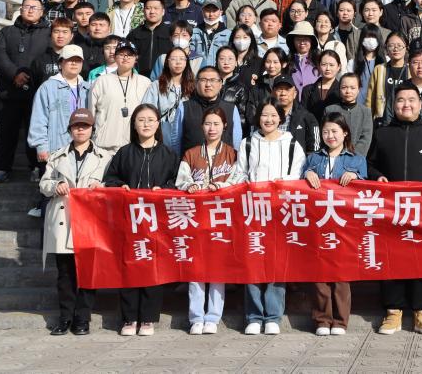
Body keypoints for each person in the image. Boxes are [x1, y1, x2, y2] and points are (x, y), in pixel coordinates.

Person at [368, 84, 422, 335]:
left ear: (420, 104)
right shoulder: (382, 134)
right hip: (390, 210)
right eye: (401, 100)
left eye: (411, 100)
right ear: (394, 105)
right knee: (391, 258)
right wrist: (377, 176)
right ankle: (393, 311)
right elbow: (369, 165)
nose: (406, 105)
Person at [103, 105, 180, 337]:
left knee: (153, 268)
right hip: (130, 221)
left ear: (158, 124)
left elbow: (177, 182)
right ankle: (129, 318)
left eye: (150, 120)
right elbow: (110, 179)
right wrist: (121, 186)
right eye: (141, 120)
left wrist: (163, 189)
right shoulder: (124, 153)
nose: (146, 124)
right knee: (129, 266)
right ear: (134, 125)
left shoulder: (169, 154)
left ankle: (147, 318)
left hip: (157, 222)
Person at [236, 99, 306, 335]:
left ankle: (273, 315)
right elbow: (240, 174)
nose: (268, 119)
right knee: (253, 261)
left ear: (281, 118)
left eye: (273, 115)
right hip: (253, 211)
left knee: (276, 262)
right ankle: (254, 315)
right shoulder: (248, 143)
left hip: (280, 212)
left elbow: (297, 174)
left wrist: (281, 186)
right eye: (264, 115)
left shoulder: (292, 143)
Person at [39, 108, 111, 337]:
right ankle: (65, 317)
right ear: (70, 129)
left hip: (90, 220)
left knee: (88, 271)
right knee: (65, 272)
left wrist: (101, 187)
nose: (81, 130)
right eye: (77, 126)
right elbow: (43, 184)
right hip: (63, 218)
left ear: (92, 129)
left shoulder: (105, 157)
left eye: (85, 126)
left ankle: (82, 318)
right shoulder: (57, 156)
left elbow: (112, 183)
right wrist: (55, 186)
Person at [175, 107, 243, 335]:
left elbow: (239, 179)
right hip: (195, 218)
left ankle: (213, 316)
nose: (212, 128)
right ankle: (196, 317)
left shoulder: (232, 153)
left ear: (225, 126)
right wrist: (190, 185)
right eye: (207, 124)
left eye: (216, 124)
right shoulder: (191, 153)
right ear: (201, 126)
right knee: (196, 268)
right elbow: (181, 179)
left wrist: (220, 186)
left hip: (222, 218)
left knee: (217, 268)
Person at [302, 113, 367, 336]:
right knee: (319, 271)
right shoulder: (313, 158)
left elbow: (366, 189)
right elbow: (300, 184)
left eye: (335, 131)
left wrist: (356, 177)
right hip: (318, 220)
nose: (330, 136)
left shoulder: (356, 159)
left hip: (343, 223)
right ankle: (322, 319)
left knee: (341, 272)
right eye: (326, 132)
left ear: (345, 133)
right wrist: (307, 174)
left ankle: (340, 321)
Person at [0, 0, 50, 184]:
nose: (30, 10)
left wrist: (31, 75)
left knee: (35, 131)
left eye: (35, 7)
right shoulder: (7, 32)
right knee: (6, 132)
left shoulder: (48, 33)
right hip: (9, 92)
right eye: (27, 6)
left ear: (42, 12)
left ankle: (36, 167)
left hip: (36, 93)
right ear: (21, 9)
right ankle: (2, 168)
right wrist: (14, 73)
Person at [28, 45, 91, 163]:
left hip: (84, 148)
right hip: (56, 148)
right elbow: (39, 118)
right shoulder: (47, 87)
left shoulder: (88, 88)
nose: (74, 63)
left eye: (78, 60)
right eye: (69, 60)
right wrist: (41, 146)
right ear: (60, 64)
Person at [88, 41, 153, 150]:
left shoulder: (145, 83)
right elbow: (91, 113)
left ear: (136, 58)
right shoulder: (101, 81)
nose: (125, 58)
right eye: (121, 54)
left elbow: (150, 113)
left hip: (135, 146)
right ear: (115, 57)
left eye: (130, 55)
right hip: (105, 146)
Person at [175, 66, 243, 152]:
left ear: (220, 84)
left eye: (213, 80)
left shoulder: (231, 109)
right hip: (190, 159)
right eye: (203, 80)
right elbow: (176, 140)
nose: (208, 84)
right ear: (196, 83)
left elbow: (236, 141)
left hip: (224, 159)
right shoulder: (184, 107)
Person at [141, 47, 194, 154]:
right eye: (173, 59)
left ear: (186, 63)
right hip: (163, 134)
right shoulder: (156, 85)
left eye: (182, 59)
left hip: (186, 133)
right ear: (167, 62)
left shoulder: (193, 86)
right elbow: (147, 111)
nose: (178, 62)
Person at [323, 73, 373, 152]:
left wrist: (354, 156)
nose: (348, 91)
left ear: (358, 89)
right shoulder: (330, 110)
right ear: (339, 89)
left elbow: (365, 138)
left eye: (352, 88)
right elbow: (326, 134)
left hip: (356, 157)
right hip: (333, 154)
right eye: (344, 87)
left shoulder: (366, 112)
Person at [127, 0, 171, 78]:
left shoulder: (170, 33)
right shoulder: (134, 34)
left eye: (156, 8)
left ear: (163, 11)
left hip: (164, 78)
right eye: (148, 8)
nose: (152, 12)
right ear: (143, 11)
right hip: (139, 78)